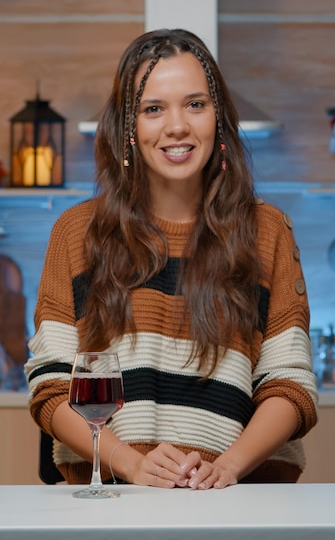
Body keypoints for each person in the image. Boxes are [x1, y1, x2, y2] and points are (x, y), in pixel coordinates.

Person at [25, 28, 318, 489]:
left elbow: (290, 383)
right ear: (127, 126)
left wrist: (228, 466)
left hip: (235, 505)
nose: (177, 125)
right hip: (110, 507)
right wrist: (131, 463)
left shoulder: (268, 231)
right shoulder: (76, 233)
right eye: (153, 108)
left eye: (196, 104)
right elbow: (51, 386)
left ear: (218, 118)